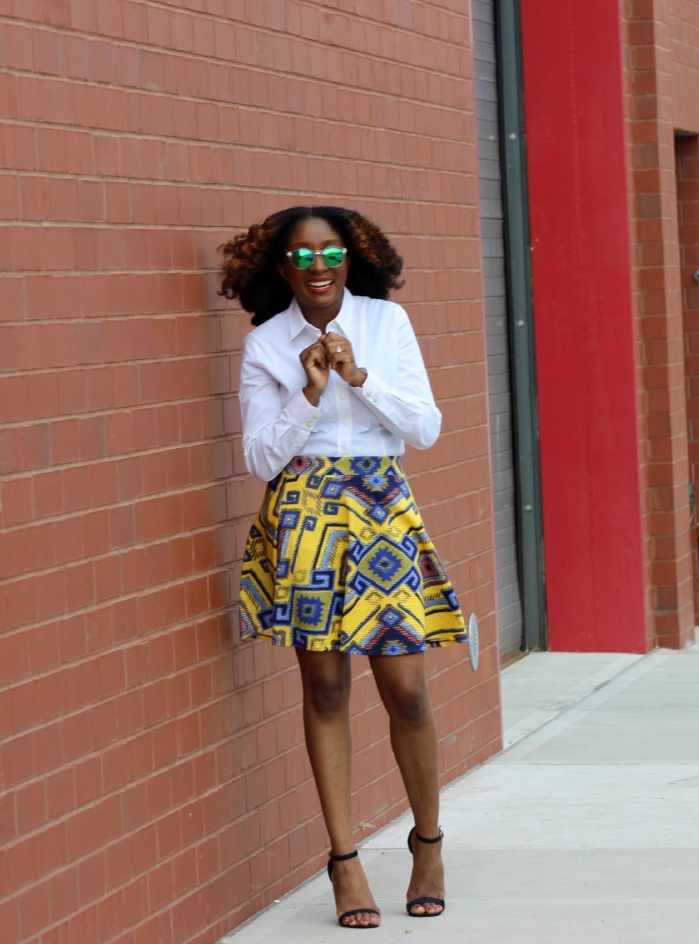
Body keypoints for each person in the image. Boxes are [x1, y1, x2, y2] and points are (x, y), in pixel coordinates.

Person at [220, 205, 466, 929]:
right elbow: (260, 458)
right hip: (304, 511)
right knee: (325, 687)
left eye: (329, 253)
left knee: (407, 688)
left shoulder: (388, 326)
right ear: (281, 267)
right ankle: (344, 861)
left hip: (382, 504)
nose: (316, 267)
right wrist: (309, 394)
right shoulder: (265, 345)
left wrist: (360, 380)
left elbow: (424, 429)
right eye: (299, 256)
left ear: (353, 259)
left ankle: (428, 843)